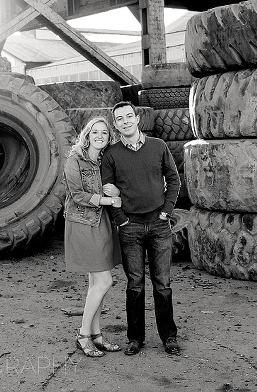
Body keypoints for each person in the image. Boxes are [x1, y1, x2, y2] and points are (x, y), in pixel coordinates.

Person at [101, 101, 182, 356]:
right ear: (116, 125)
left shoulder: (158, 146)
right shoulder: (111, 154)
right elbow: (108, 189)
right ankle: (135, 338)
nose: (125, 122)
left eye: (128, 116)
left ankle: (169, 336)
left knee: (163, 283)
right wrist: (120, 219)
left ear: (137, 119)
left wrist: (167, 211)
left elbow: (174, 179)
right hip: (130, 227)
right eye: (120, 119)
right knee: (135, 284)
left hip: (159, 225)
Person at [63, 116, 123, 358]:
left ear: (109, 138)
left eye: (105, 133)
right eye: (95, 132)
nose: (99, 136)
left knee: (95, 283)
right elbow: (77, 195)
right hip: (82, 223)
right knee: (105, 281)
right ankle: (83, 335)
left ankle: (97, 335)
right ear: (87, 135)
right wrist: (108, 200)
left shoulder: (106, 161)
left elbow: (120, 185)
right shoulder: (74, 159)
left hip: (103, 223)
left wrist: (116, 191)